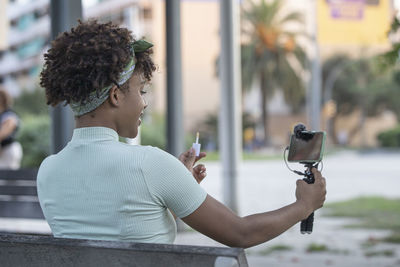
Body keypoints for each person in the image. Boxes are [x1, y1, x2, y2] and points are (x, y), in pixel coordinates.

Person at [38, 20, 326, 248]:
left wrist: (176, 187)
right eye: (142, 90)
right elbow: (241, 233)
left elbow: (127, 225)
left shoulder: (48, 171)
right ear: (115, 95)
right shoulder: (150, 164)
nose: (144, 102)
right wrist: (304, 205)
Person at [0, 88, 23, 169]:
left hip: (9, 149)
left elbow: (3, 133)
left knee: (9, 178)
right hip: (4, 150)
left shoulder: (9, 115)